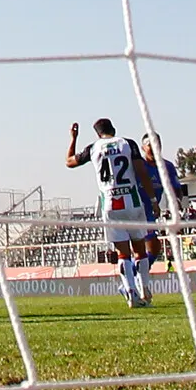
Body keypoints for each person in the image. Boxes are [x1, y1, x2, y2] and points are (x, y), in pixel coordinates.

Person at [66, 119, 158, 308]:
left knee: (122, 253)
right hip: (132, 202)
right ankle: (145, 288)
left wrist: (73, 138)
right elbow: (142, 173)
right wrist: (153, 200)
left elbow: (69, 162)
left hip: (110, 204)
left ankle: (131, 292)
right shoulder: (128, 144)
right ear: (113, 130)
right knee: (139, 250)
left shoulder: (93, 148)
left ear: (98, 134)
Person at [138, 132, 186, 271]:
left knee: (153, 249)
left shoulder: (167, 167)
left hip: (151, 214)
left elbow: (176, 188)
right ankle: (135, 278)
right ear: (143, 148)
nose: (154, 148)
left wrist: (177, 200)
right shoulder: (138, 166)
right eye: (149, 145)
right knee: (149, 247)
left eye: (157, 144)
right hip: (138, 212)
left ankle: (137, 275)